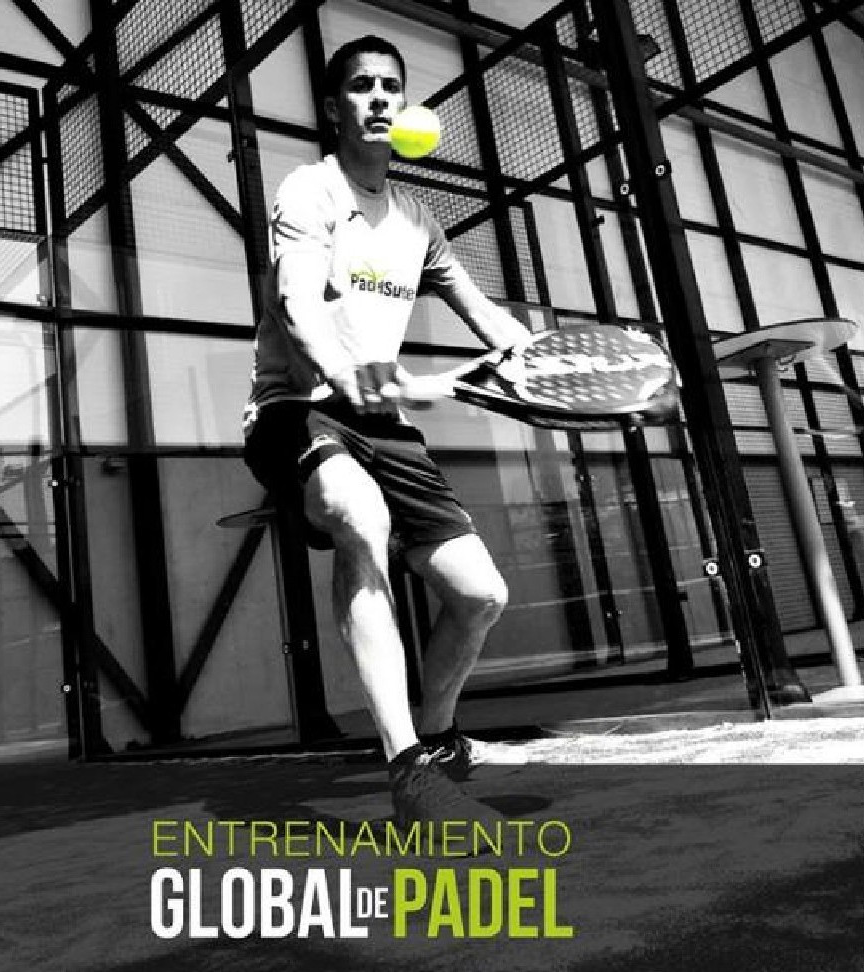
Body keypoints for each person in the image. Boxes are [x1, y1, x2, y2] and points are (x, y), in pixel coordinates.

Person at [242, 35, 531, 828]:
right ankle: (409, 772)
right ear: (333, 108)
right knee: (360, 516)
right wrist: (341, 370)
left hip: (383, 421)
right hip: (296, 408)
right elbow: (297, 302)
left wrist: (546, 361)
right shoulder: (309, 190)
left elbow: (486, 316)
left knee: (479, 595)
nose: (379, 98)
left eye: (391, 87)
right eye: (361, 86)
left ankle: (438, 741)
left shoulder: (417, 220)